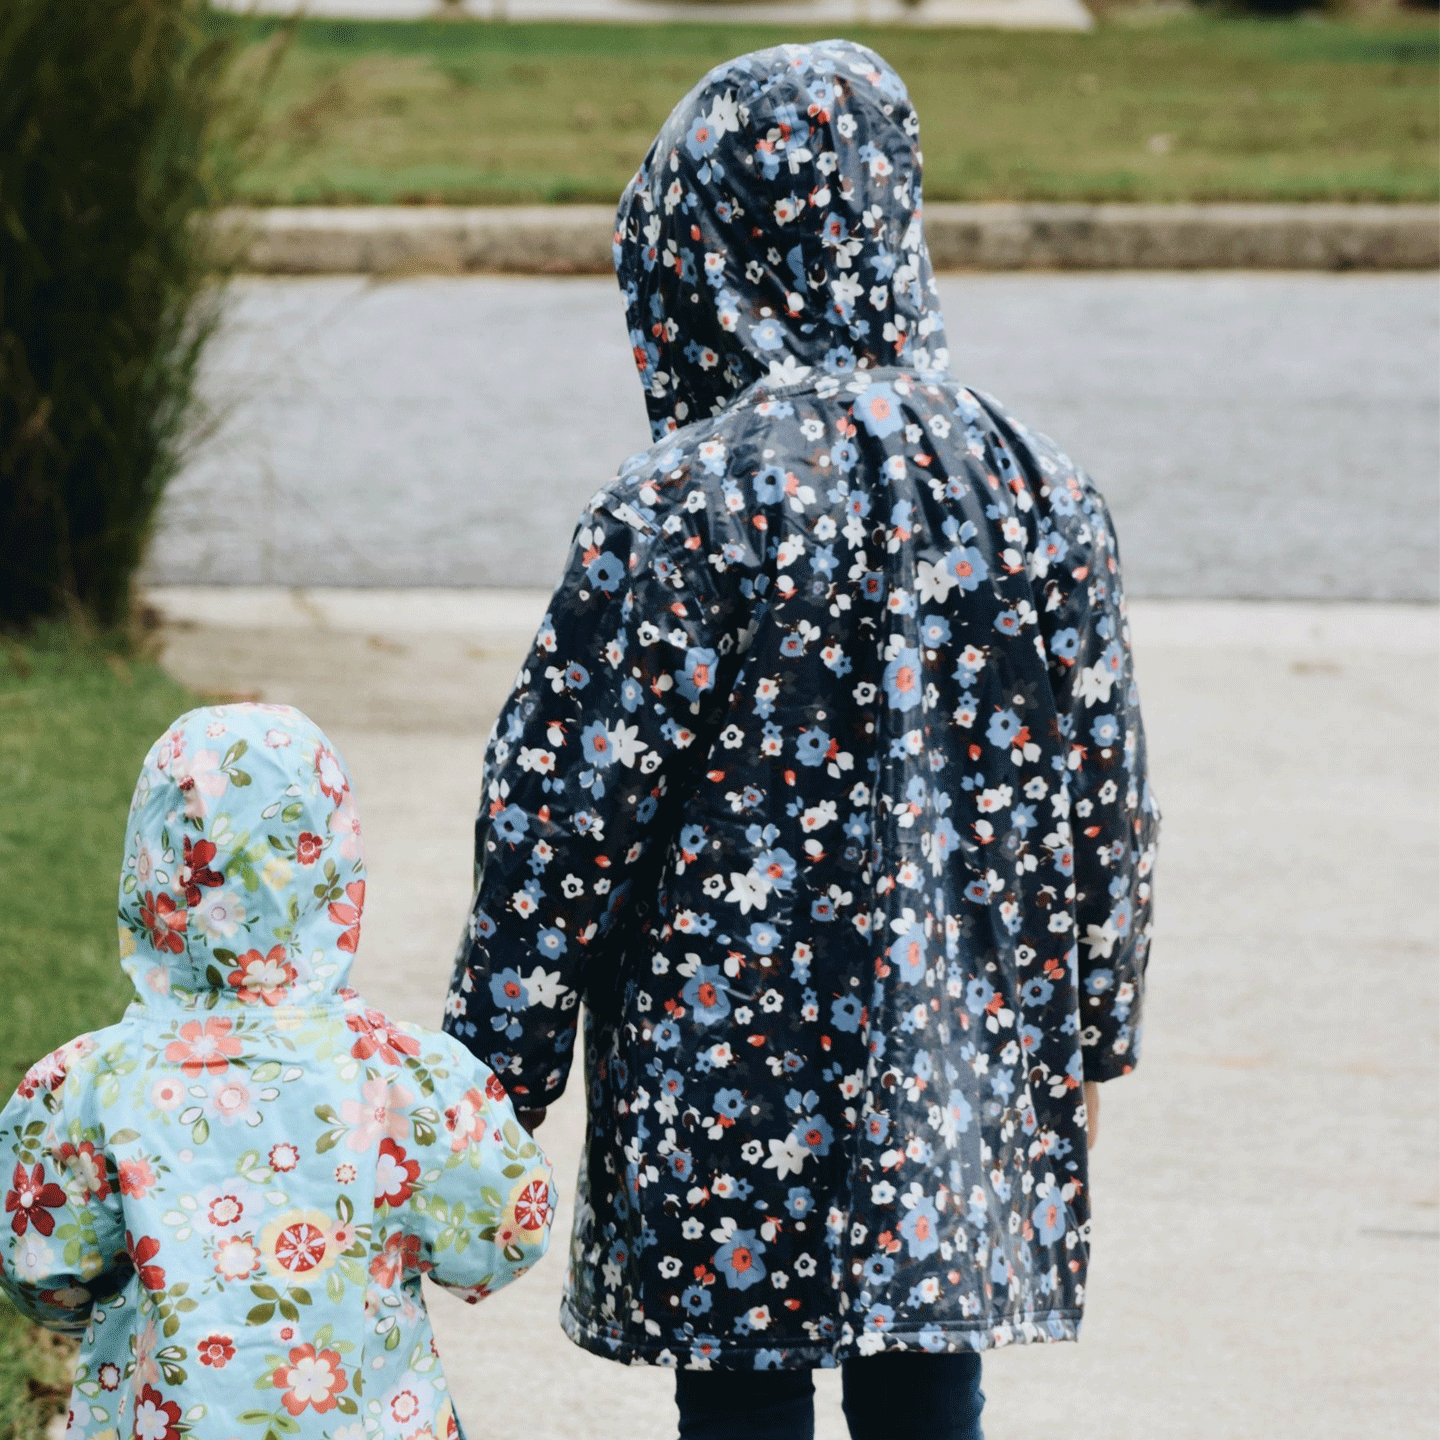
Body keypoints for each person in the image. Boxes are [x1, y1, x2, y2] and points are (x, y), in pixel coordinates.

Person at [443, 39, 1159, 1440]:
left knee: (741, 1378)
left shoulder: (680, 507)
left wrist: (491, 1073)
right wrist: (1096, 1026)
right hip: (960, 1037)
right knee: (928, 1354)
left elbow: (558, 819)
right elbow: (1105, 800)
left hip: (727, 1054)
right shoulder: (1041, 493)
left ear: (704, 259)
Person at [0, 703, 555, 1440]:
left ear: (150, 867)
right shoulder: (402, 1079)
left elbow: (44, 1274)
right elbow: (503, 1233)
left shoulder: (89, 1086)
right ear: (332, 864)